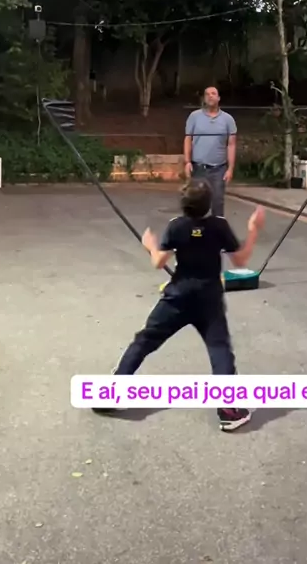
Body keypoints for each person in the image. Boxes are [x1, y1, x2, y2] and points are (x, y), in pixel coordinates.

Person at [96, 179, 265, 432]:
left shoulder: (176, 226)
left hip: (177, 296)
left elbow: (158, 261)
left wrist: (150, 245)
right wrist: (253, 229)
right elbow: (240, 260)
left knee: (144, 341)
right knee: (219, 349)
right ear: (209, 204)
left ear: (184, 205)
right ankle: (229, 411)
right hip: (208, 299)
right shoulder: (219, 226)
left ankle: (112, 395)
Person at [184, 86, 237, 217]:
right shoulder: (194, 116)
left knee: (217, 203)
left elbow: (231, 144)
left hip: (218, 169)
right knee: (196, 203)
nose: (210, 96)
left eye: (213, 93)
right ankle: (195, 229)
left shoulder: (228, 119)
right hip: (198, 168)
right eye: (207, 94)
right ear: (204, 98)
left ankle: (217, 229)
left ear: (218, 98)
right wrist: (187, 162)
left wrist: (230, 169)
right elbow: (188, 139)